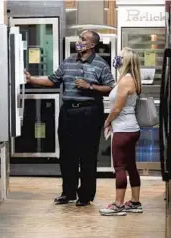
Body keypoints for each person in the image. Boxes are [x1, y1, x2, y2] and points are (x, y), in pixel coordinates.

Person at [24, 30, 115, 206]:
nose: (79, 41)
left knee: (87, 156)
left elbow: (111, 88)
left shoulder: (100, 64)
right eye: (79, 38)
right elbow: (52, 80)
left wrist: (90, 86)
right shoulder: (68, 62)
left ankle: (85, 196)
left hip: (89, 113)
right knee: (67, 155)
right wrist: (32, 79)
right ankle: (68, 192)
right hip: (67, 113)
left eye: (83, 39)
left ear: (92, 45)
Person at [99, 47, 142, 216]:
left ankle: (118, 205)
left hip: (123, 130)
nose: (117, 58)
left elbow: (117, 108)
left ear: (126, 61)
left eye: (120, 56)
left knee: (120, 167)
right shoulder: (131, 78)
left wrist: (107, 121)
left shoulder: (126, 80)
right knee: (131, 166)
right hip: (131, 128)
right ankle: (135, 203)